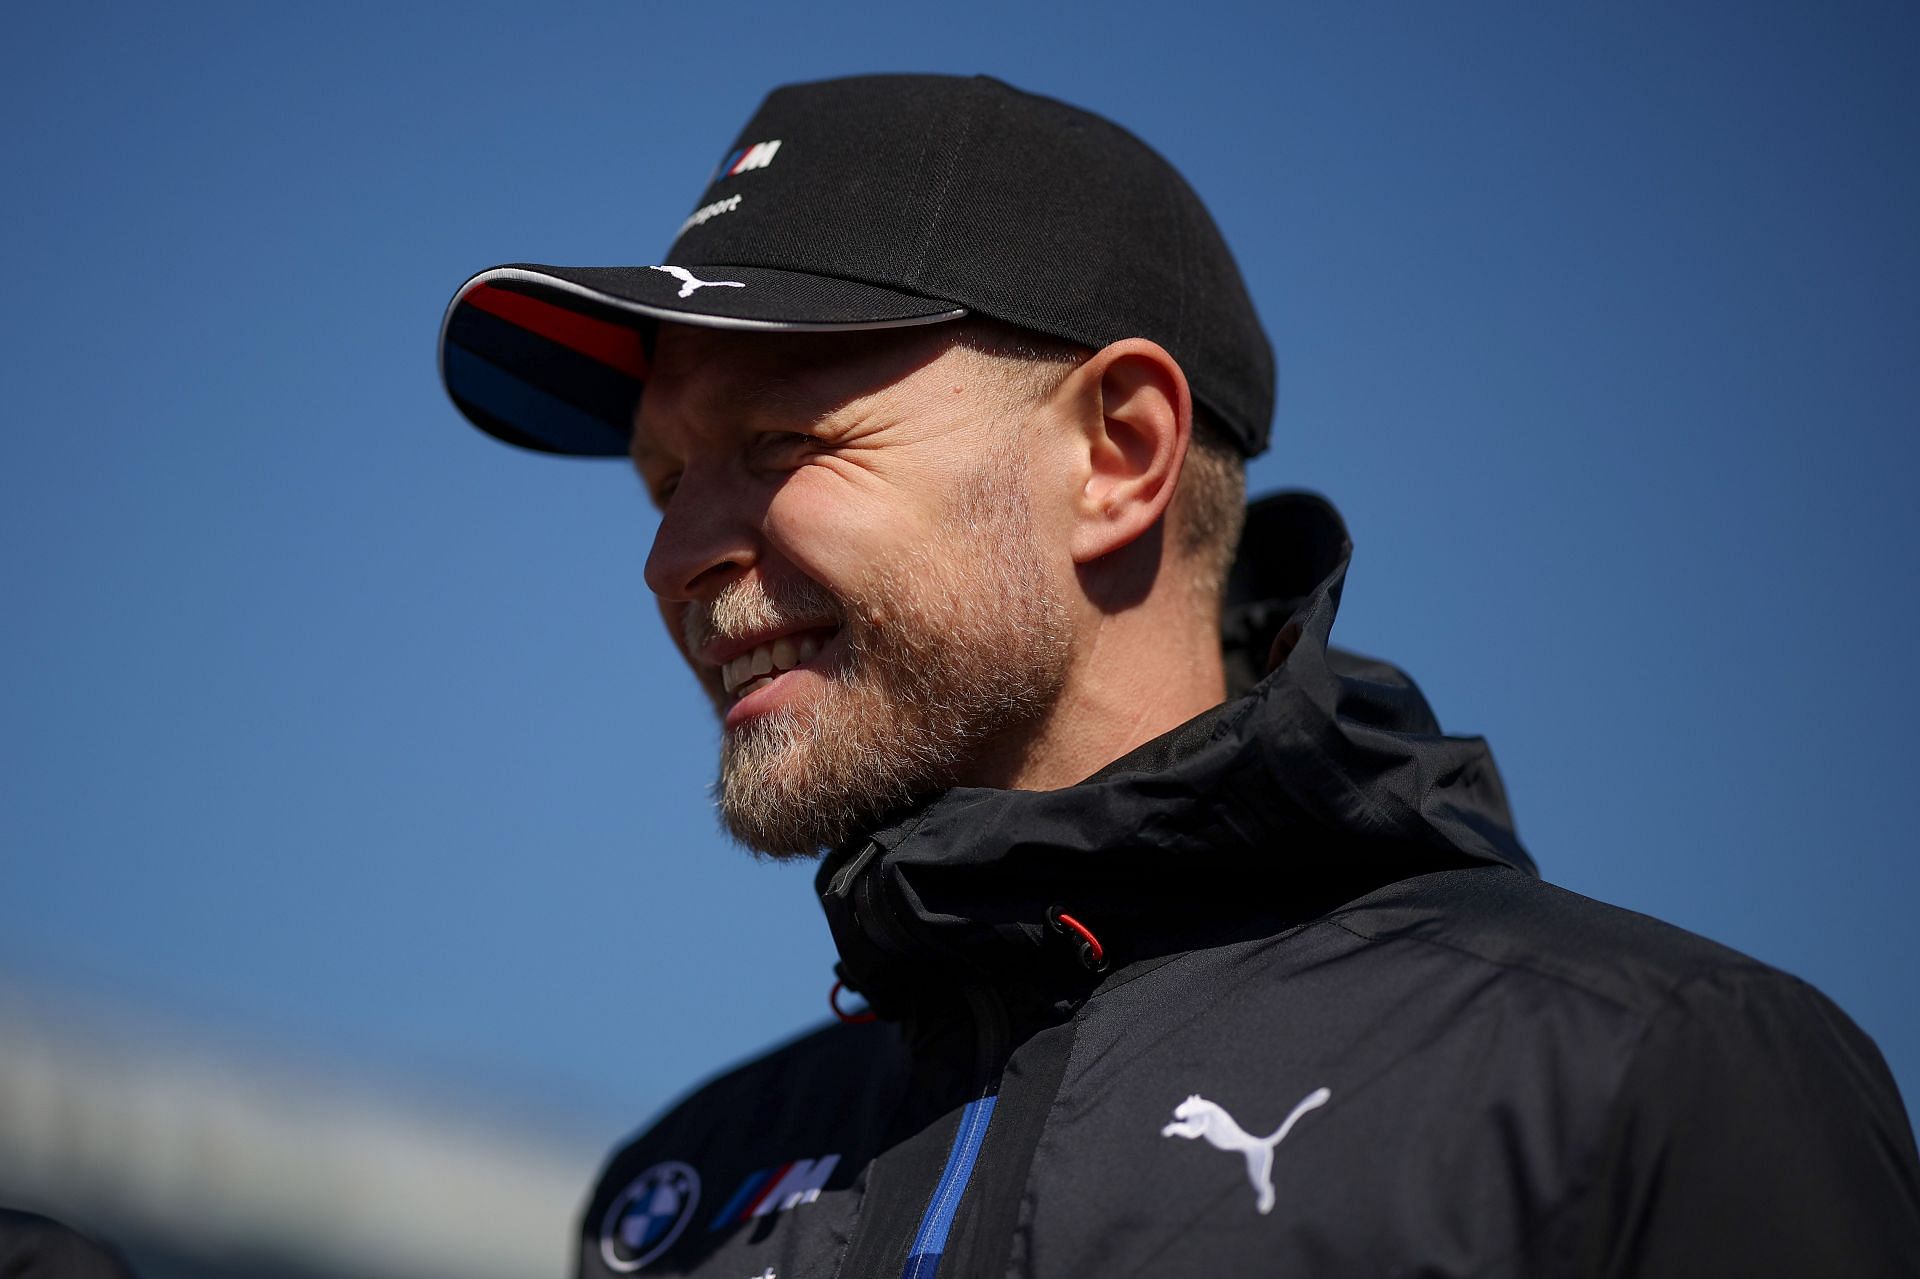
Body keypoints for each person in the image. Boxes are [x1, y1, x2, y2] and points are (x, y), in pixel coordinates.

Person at [437, 74, 1920, 1278]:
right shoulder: (682, 1198)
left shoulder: (1637, 1076)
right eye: (660, 486)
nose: (673, 560)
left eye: (782, 450)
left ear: (1120, 454)